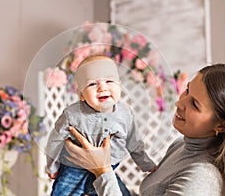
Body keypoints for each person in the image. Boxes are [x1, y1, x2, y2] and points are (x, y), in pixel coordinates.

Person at [65, 63, 225, 196]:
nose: (179, 102)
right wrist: (101, 173)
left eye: (194, 104)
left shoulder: (201, 178)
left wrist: (102, 171)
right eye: (187, 90)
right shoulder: (180, 146)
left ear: (222, 125)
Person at [45, 55, 156, 195]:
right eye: (92, 84)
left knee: (117, 190)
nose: (102, 87)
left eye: (109, 81)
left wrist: (145, 163)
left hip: (108, 168)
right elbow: (55, 141)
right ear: (81, 94)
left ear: (119, 86)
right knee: (64, 191)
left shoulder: (125, 114)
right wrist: (52, 166)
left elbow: (134, 142)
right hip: (74, 169)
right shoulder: (72, 115)